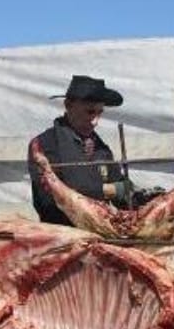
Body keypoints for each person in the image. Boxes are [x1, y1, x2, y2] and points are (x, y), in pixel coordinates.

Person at [28, 75, 135, 225]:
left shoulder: (101, 149)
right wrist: (107, 190)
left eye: (100, 113)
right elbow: (49, 200)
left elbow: (122, 192)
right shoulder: (44, 145)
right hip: (63, 235)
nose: (96, 121)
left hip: (100, 233)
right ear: (68, 105)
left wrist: (144, 198)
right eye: (90, 112)